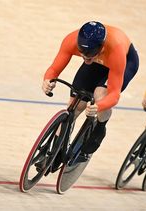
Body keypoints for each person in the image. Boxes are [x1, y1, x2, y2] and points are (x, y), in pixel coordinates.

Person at [42, 21, 139, 168]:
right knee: (74, 105)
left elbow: (114, 94)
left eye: (89, 54)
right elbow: (54, 69)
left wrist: (99, 106)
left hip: (124, 62)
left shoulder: (115, 51)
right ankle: (56, 150)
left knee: (100, 94)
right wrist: (47, 80)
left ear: (101, 48)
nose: (85, 57)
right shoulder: (71, 40)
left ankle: (100, 127)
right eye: (82, 53)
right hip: (98, 62)